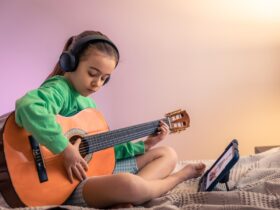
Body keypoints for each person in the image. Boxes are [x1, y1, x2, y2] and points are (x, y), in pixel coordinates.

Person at [15, 30, 206, 208]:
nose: (97, 84)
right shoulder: (60, 89)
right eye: (92, 73)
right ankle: (177, 178)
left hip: (92, 172)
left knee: (167, 153)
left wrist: (146, 145)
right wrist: (65, 150)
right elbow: (28, 106)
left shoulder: (89, 107)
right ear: (70, 63)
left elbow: (105, 153)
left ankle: (122, 197)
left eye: (104, 79)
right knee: (128, 184)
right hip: (66, 183)